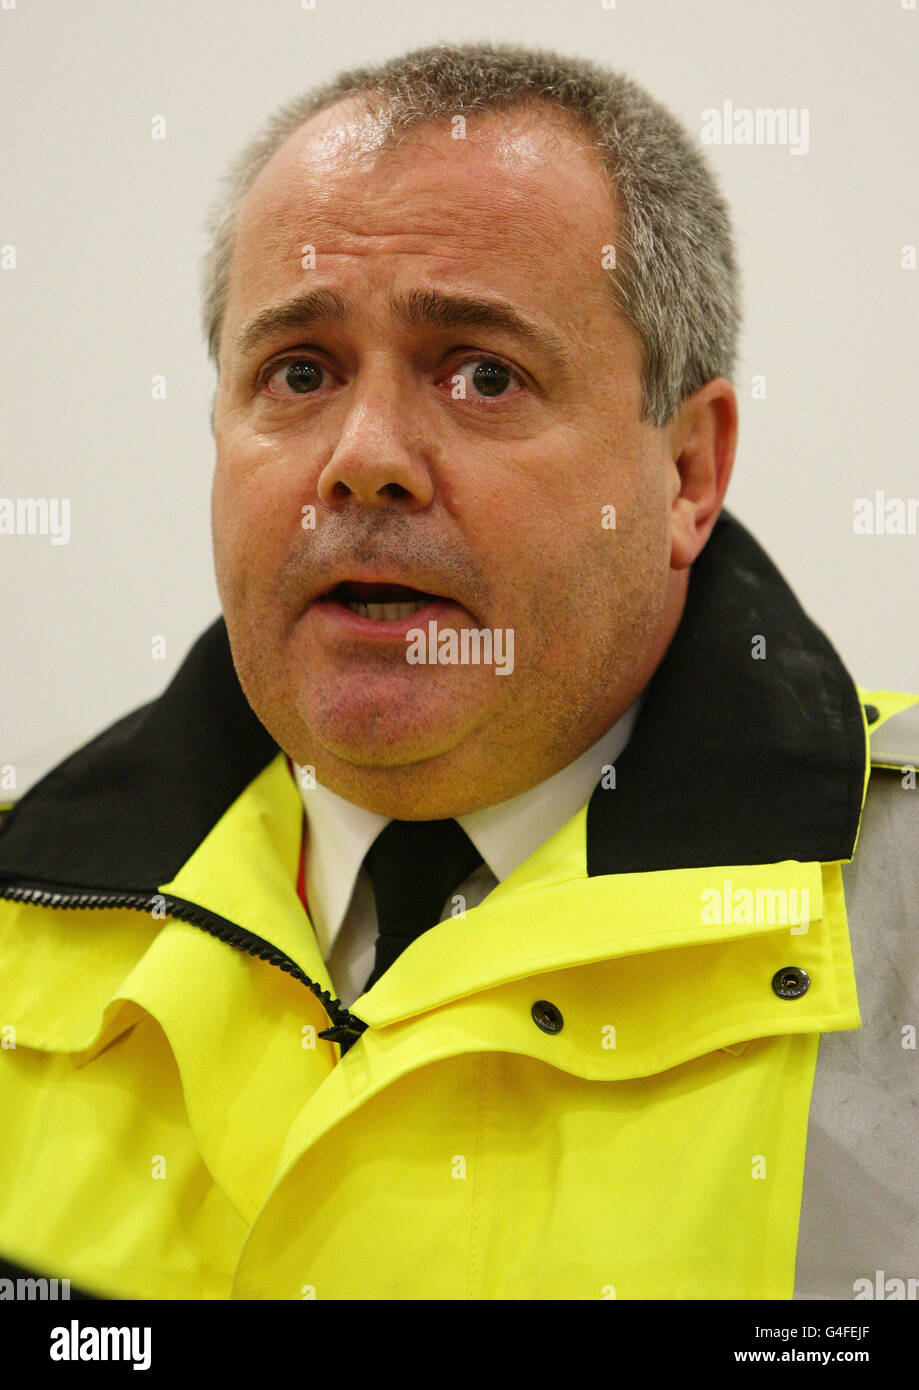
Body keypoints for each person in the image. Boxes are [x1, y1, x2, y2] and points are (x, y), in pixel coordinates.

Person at [0, 41, 916, 1302]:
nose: (363, 460)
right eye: (300, 373)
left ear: (687, 474)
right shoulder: (22, 904)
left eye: (483, 374)